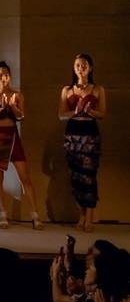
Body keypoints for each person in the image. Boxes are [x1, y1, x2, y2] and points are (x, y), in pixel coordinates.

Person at [0, 61, 42, 229]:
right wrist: (0, 108)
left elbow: (21, 116)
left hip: (13, 135)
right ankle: (3, 214)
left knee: (25, 177)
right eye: (1, 75)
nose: (4, 78)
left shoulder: (17, 95)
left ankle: (35, 216)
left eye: (7, 75)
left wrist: (11, 106)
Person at [58, 53, 106, 234]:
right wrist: (75, 111)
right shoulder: (67, 90)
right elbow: (61, 115)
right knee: (76, 177)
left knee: (89, 175)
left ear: (90, 68)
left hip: (90, 133)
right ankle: (82, 216)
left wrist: (90, 112)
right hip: (73, 133)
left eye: (84, 65)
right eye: (77, 65)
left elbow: (102, 113)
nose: (81, 68)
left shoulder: (98, 89)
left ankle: (90, 217)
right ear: (74, 68)